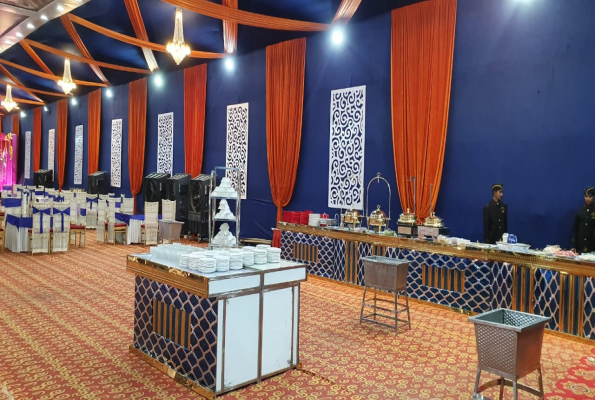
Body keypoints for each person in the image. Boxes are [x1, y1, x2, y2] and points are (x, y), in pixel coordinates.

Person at [571, 187, 595, 254]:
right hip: (580, 246)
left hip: (592, 246)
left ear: (594, 197)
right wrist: (573, 246)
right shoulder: (580, 210)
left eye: (590, 196)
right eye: (586, 196)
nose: (588, 199)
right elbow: (575, 229)